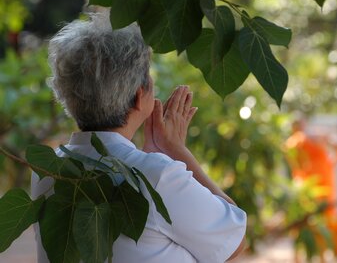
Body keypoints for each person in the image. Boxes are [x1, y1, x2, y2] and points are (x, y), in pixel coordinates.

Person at [31, 14, 247, 263]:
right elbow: (234, 241)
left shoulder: (46, 171)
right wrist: (177, 152)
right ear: (138, 96)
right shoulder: (155, 175)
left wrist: (157, 159)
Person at [285, 117, 336, 217]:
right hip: (316, 181)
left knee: (310, 213)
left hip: (306, 182)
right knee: (322, 213)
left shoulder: (291, 142)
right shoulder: (302, 138)